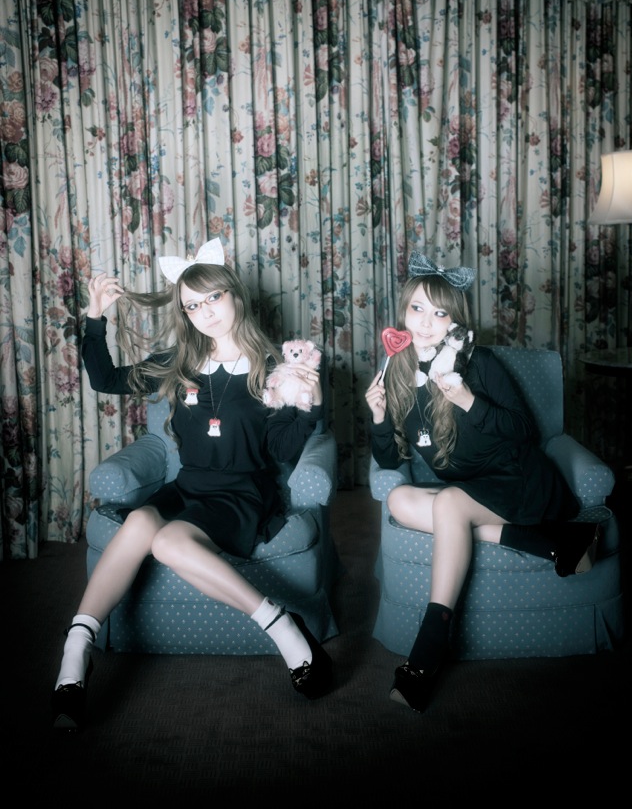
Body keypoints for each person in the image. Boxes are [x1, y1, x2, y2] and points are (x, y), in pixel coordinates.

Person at [52, 238, 332, 731]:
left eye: (212, 298)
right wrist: (95, 316)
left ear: (234, 294)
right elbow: (104, 379)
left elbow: (282, 449)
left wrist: (310, 405)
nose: (205, 313)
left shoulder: (273, 367)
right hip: (187, 488)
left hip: (242, 494)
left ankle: (285, 631)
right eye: (192, 306)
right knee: (139, 523)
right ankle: (77, 649)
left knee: (166, 540)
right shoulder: (177, 362)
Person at [365, 251, 599, 714]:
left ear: (455, 320)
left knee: (449, 504)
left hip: (519, 479)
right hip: (471, 490)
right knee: (400, 499)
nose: (426, 322)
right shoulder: (397, 372)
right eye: (417, 308)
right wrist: (377, 418)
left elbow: (524, 432)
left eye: (439, 313)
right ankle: (559, 545)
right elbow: (390, 458)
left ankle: (430, 644)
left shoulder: (480, 362)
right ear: (403, 312)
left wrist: (469, 400)